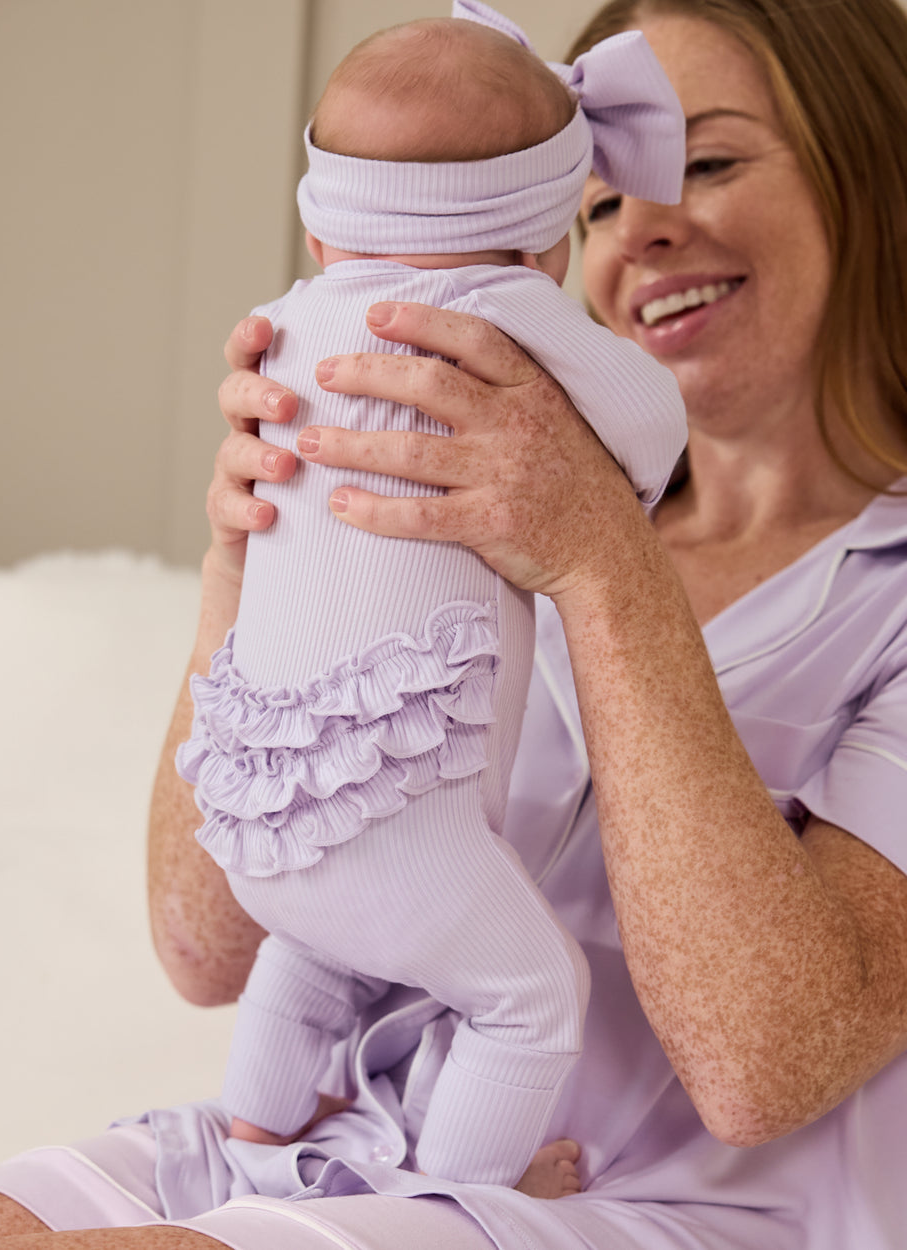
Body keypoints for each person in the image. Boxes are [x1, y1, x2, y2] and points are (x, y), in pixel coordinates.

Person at [0, 0, 907, 1247]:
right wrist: (244, 560)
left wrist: (603, 560)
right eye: (598, 204)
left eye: (706, 161)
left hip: (658, 1204)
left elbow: (760, 1067)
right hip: (348, 1132)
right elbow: (205, 951)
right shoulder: (461, 497)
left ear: (875, 168)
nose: (641, 228)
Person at [179, 0, 686, 1191]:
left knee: (313, 943)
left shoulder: (283, 328)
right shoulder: (496, 314)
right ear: (542, 238)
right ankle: (454, 1200)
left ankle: (250, 1138)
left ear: (320, 227)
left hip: (263, 809)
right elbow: (652, 422)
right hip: (396, 829)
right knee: (533, 995)